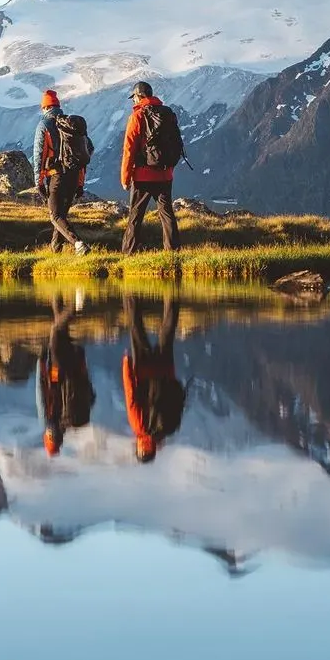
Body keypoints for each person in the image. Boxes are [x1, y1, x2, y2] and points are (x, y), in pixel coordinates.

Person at [120, 80, 182, 255]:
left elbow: (129, 149)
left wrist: (125, 178)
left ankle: (128, 253)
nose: (133, 101)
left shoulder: (137, 116)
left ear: (139, 96)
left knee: (136, 216)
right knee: (166, 214)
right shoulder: (167, 114)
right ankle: (173, 252)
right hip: (165, 174)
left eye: (134, 98)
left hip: (142, 176)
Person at [121, 294, 185, 463]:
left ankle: (172, 296)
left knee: (167, 333)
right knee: (136, 329)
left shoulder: (167, 429)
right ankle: (130, 293)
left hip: (165, 372)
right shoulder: (139, 426)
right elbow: (131, 395)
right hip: (143, 370)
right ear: (141, 448)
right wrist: (126, 365)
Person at [33, 88, 90, 255]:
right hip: (73, 176)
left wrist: (39, 181)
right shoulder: (72, 126)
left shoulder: (44, 125)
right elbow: (84, 154)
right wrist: (80, 183)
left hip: (56, 176)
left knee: (55, 216)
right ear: (58, 106)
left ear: (44, 107)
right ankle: (55, 251)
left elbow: (39, 155)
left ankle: (78, 243)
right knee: (61, 215)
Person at [37, 294, 95, 455]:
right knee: (55, 330)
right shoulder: (48, 420)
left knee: (60, 327)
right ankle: (75, 306)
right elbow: (41, 391)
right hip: (58, 370)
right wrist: (41, 363)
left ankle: (57, 291)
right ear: (48, 438)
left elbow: (90, 395)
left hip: (74, 368)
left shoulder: (70, 421)